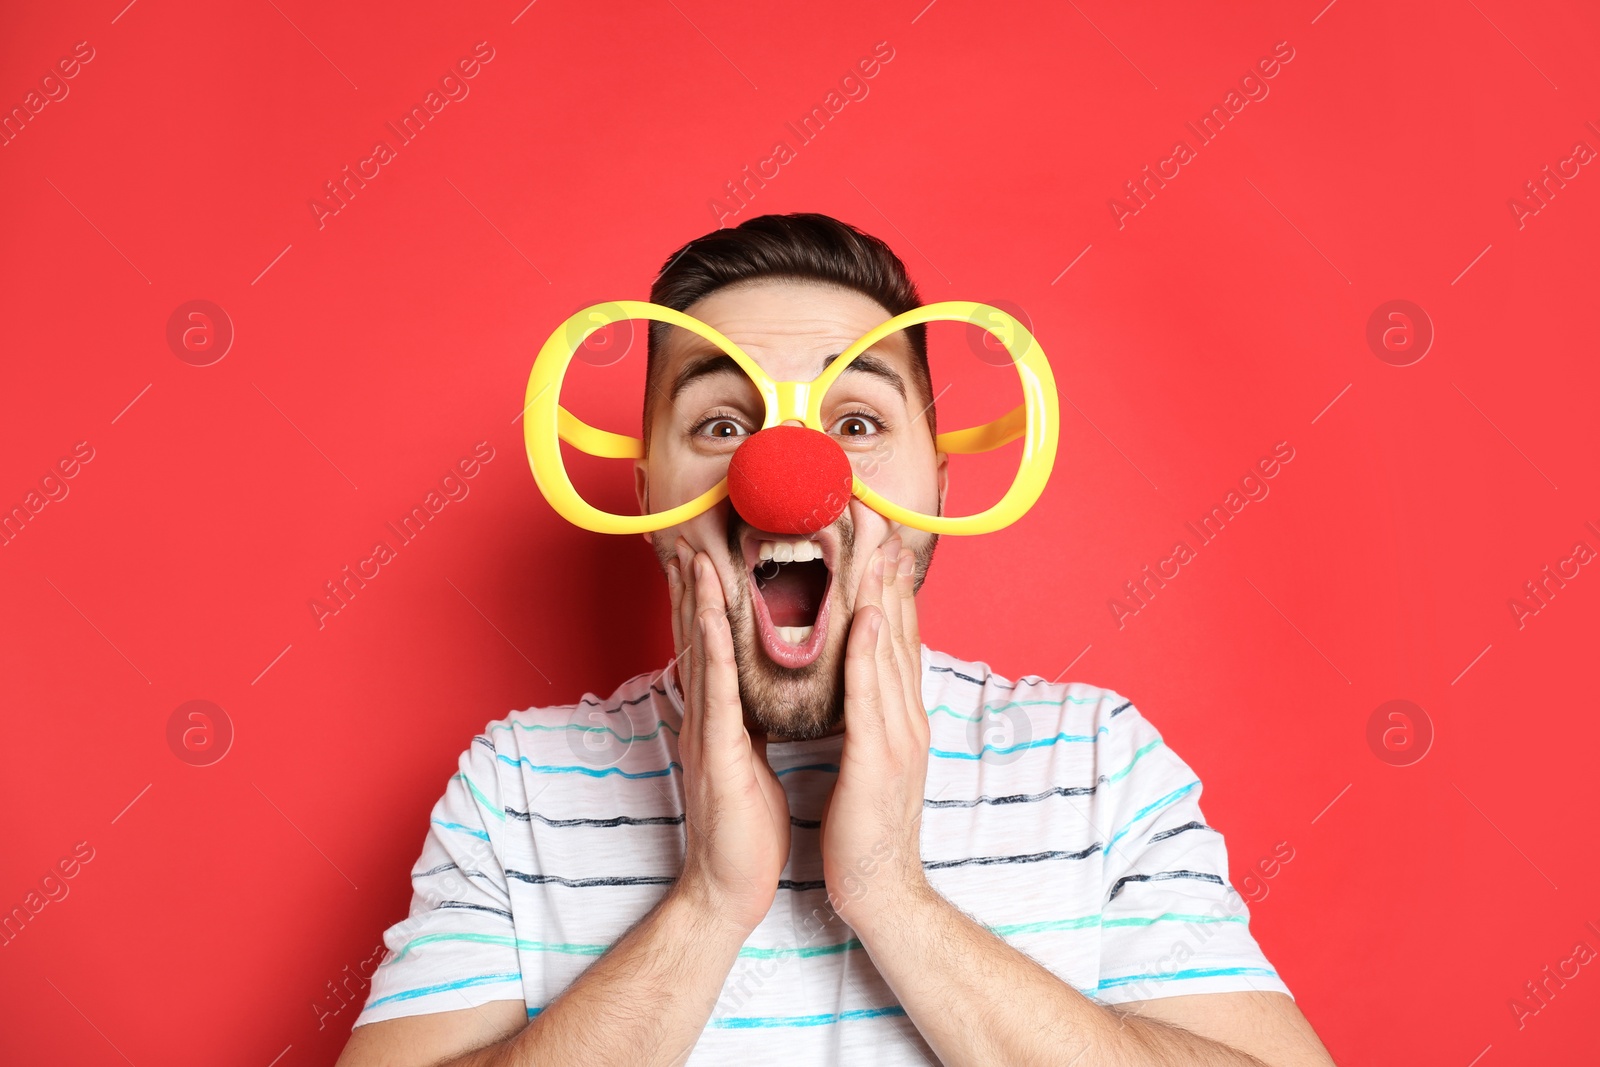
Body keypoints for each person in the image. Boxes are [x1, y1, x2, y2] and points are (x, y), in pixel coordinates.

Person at [336, 214, 1338, 1066]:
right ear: (645, 492)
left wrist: (890, 895)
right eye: (722, 426)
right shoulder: (515, 781)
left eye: (856, 424)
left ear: (939, 483)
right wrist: (707, 904)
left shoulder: (1097, 759)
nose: (787, 471)